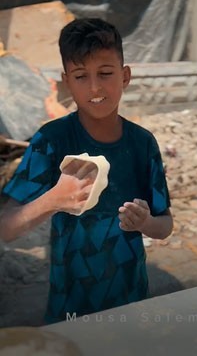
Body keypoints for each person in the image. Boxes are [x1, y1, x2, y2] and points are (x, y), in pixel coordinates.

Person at [0, 18, 174, 322]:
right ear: (67, 82)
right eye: (81, 76)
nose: (94, 87)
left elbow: (165, 226)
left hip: (130, 300)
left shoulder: (142, 144)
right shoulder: (51, 141)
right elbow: (7, 228)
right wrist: (54, 199)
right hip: (71, 304)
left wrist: (145, 222)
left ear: (125, 76)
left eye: (105, 73)